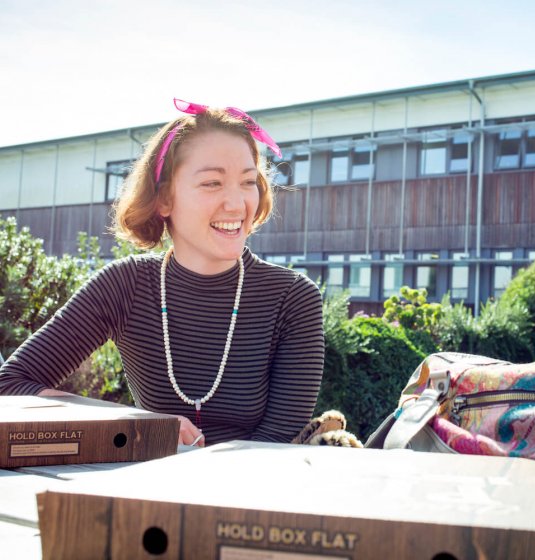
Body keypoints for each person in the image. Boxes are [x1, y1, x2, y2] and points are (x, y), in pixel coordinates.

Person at [0, 99, 326, 446]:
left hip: (249, 493)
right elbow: (11, 385)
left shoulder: (293, 297)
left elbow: (277, 442)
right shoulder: (124, 285)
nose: (237, 204)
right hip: (148, 487)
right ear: (163, 199)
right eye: (212, 183)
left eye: (248, 182)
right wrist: (137, 423)